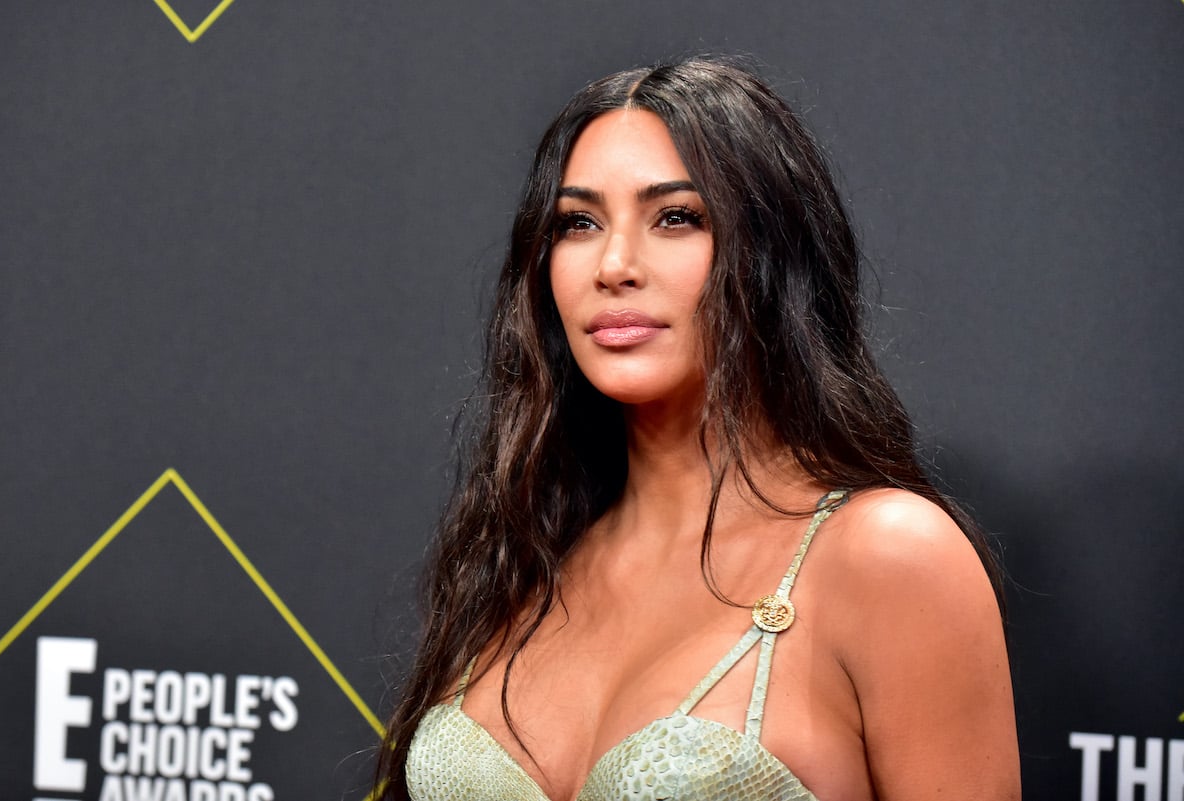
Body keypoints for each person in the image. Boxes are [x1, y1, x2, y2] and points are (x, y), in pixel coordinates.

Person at [380, 56, 1020, 800]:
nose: (614, 265)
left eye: (676, 217)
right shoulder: (525, 550)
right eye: (578, 223)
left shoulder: (889, 554)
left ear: (773, 255)